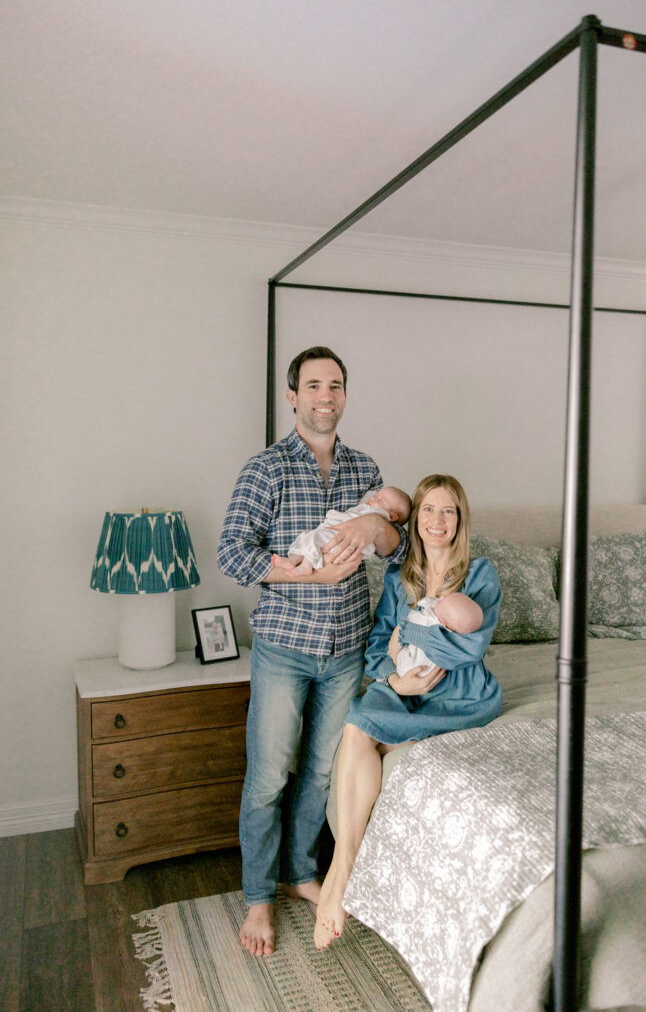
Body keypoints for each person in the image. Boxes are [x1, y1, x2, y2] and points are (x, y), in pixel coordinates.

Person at [217, 345, 407, 957]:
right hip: (284, 646)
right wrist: (308, 576)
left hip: (346, 646)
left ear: (345, 396)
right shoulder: (266, 468)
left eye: (336, 386)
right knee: (269, 776)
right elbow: (232, 554)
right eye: (315, 386)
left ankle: (301, 872)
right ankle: (257, 897)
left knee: (321, 773)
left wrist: (379, 527)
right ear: (293, 396)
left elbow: (400, 552)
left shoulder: (366, 469)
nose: (326, 396)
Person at [313, 473, 502, 951]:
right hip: (404, 687)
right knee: (358, 724)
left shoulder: (481, 573)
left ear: (460, 520)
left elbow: (469, 649)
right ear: (415, 519)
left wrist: (411, 634)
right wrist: (395, 679)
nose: (438, 520)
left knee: (364, 734)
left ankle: (338, 877)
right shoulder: (399, 579)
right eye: (429, 510)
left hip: (458, 696)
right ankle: (347, 865)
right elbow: (379, 645)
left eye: (448, 511)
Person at [271, 486, 411, 576]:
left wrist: (376, 522)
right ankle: (292, 560)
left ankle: (306, 565)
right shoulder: (370, 508)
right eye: (376, 494)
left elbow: (402, 547)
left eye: (381, 499)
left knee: (315, 538)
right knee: (307, 537)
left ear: (392, 516)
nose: (373, 497)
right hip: (338, 534)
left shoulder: (379, 514)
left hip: (346, 540)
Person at [395, 591, 483, 677]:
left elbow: (410, 619)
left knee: (402, 655)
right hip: (428, 672)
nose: (441, 597)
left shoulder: (429, 620)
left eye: (441, 602)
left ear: (444, 624)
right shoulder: (449, 622)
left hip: (409, 667)